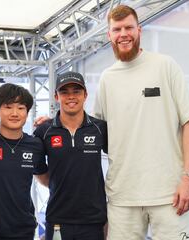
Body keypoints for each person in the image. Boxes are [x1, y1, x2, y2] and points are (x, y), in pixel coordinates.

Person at [93, 5, 189, 239]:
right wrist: (53, 122)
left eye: (129, 27)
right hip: (122, 196)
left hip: (170, 194)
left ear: (139, 30)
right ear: (109, 35)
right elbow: (92, 130)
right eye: (117, 29)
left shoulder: (165, 65)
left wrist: (188, 178)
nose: (123, 34)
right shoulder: (106, 79)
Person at [34, 71, 108, 240]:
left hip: (93, 220)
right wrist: (59, 185)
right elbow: (38, 170)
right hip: (58, 218)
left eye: (76, 91)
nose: (71, 97)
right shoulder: (44, 131)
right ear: (56, 97)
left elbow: (121, 158)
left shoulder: (100, 128)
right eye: (64, 92)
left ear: (85, 95)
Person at [0, 83, 48, 240]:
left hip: (23, 228)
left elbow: (45, 177)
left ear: (27, 112)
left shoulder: (35, 145)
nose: (15, 113)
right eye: (8, 107)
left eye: (21, 108)